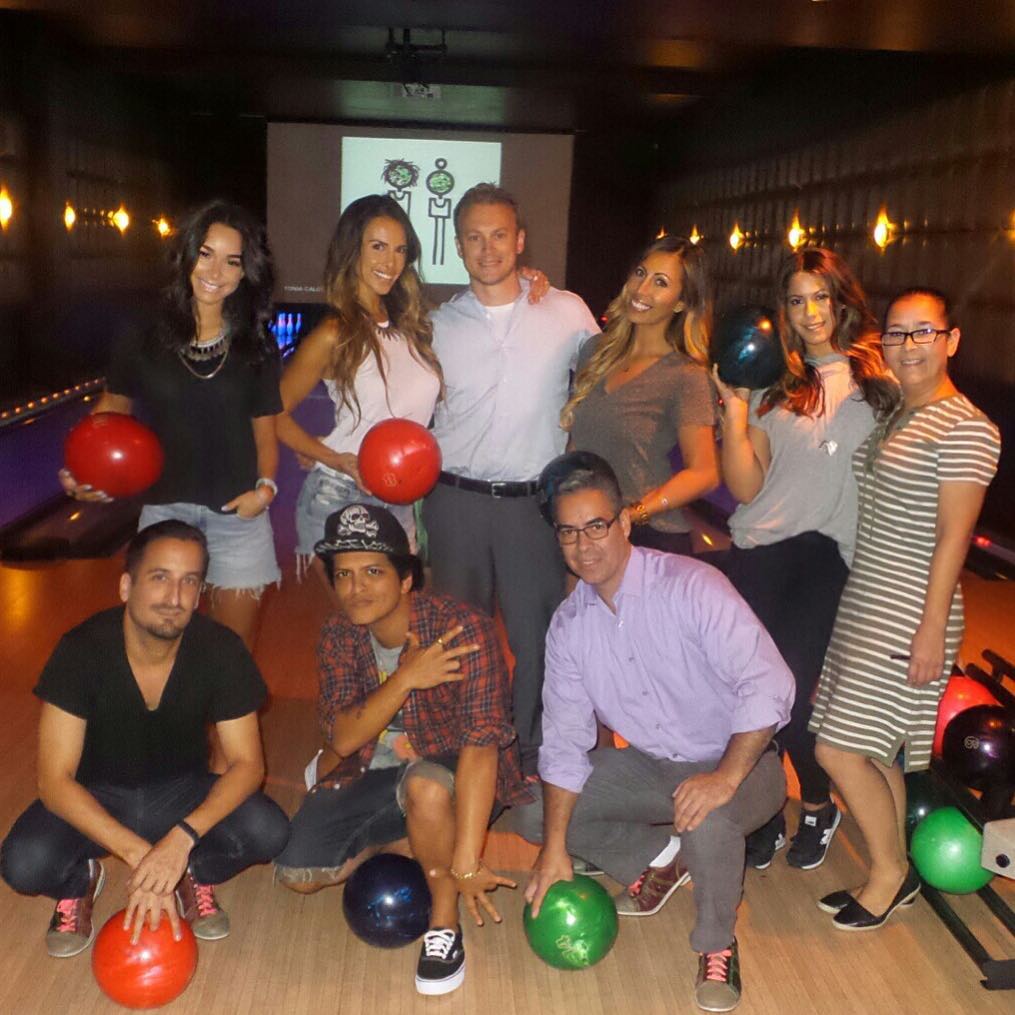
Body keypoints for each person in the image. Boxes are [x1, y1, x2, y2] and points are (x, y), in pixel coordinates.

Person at [516, 452, 793, 1013]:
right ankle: (656, 861)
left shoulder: (692, 586)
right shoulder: (569, 629)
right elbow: (566, 744)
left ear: (623, 521)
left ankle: (717, 944)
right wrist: (552, 851)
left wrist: (723, 777)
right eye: (568, 532)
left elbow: (769, 682)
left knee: (707, 813)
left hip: (747, 761)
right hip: (653, 766)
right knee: (533, 811)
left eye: (596, 526)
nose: (583, 545)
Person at [273, 503, 530, 997]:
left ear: (406, 578)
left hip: (457, 774)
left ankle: (443, 926)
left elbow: (481, 748)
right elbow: (344, 737)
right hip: (375, 773)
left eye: (373, 572)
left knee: (426, 785)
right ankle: (413, 841)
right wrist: (407, 677)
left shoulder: (463, 630)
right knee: (297, 873)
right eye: (344, 575)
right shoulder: (338, 635)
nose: (357, 588)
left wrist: (468, 861)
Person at [0, 521, 290, 957]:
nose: (174, 598)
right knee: (23, 864)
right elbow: (54, 782)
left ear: (200, 592)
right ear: (125, 586)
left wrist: (180, 843)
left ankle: (195, 872)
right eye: (160, 578)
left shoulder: (221, 650)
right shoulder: (81, 650)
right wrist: (141, 855)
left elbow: (248, 765)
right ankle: (80, 882)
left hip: (183, 794)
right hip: (96, 797)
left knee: (269, 830)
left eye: (188, 581)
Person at [810, 288, 1000, 931]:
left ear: (951, 340)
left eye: (924, 332)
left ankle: (887, 873)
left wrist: (929, 630)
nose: (909, 345)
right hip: (870, 597)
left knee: (838, 751)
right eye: (897, 333)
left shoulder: (966, 427)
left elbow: (954, 537)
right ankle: (899, 872)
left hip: (910, 609)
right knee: (872, 752)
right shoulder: (902, 413)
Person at [713, 247, 898, 872]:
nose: (810, 311)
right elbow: (743, 487)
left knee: (784, 688)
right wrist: (735, 410)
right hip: (757, 549)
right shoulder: (772, 383)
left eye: (820, 296)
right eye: (796, 299)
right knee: (743, 692)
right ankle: (763, 809)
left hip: (828, 555)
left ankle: (818, 803)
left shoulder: (882, 380)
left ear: (842, 299)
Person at [423, 184, 600, 773]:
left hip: (532, 503)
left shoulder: (567, 311)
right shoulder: (437, 324)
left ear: (520, 240)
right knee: (454, 641)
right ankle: (458, 752)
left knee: (537, 638)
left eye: (499, 234)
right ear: (458, 246)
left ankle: (527, 752)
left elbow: (610, 383)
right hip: (455, 501)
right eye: (473, 236)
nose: (487, 247)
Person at [60, 200, 282, 649]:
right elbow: (111, 409)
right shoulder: (142, 335)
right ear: (186, 256)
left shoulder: (256, 346)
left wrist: (265, 490)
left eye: (231, 261)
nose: (216, 270)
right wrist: (81, 469)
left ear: (244, 274)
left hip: (237, 518)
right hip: (164, 513)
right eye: (206, 253)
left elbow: (265, 434)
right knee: (154, 650)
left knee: (231, 657)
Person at [275, 195, 442, 582]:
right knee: (348, 630)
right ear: (353, 251)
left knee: (391, 630)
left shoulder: (411, 328)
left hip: (401, 499)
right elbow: (273, 413)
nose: (391, 262)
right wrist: (331, 456)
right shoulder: (335, 332)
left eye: (400, 250)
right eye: (378, 247)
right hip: (340, 494)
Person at [563, 234, 719, 555]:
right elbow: (579, 447)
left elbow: (704, 472)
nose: (642, 289)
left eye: (660, 282)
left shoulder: (685, 375)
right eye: (640, 274)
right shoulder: (595, 352)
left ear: (681, 302)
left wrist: (634, 515)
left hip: (649, 537)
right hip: (589, 529)